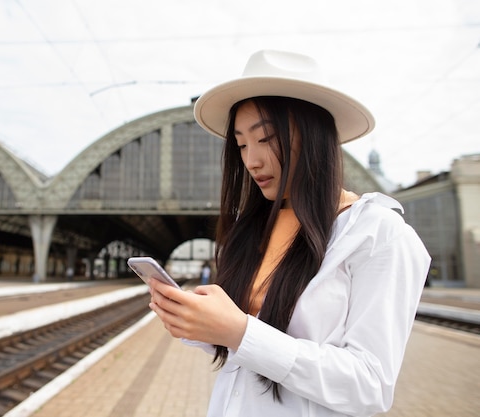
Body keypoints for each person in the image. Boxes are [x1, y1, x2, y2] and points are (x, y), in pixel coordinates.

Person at [148, 50, 430, 417]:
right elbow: (246, 346)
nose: (251, 160)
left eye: (265, 138)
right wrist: (199, 323)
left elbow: (370, 385)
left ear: (313, 137)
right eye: (242, 144)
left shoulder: (377, 233)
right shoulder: (258, 228)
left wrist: (240, 332)